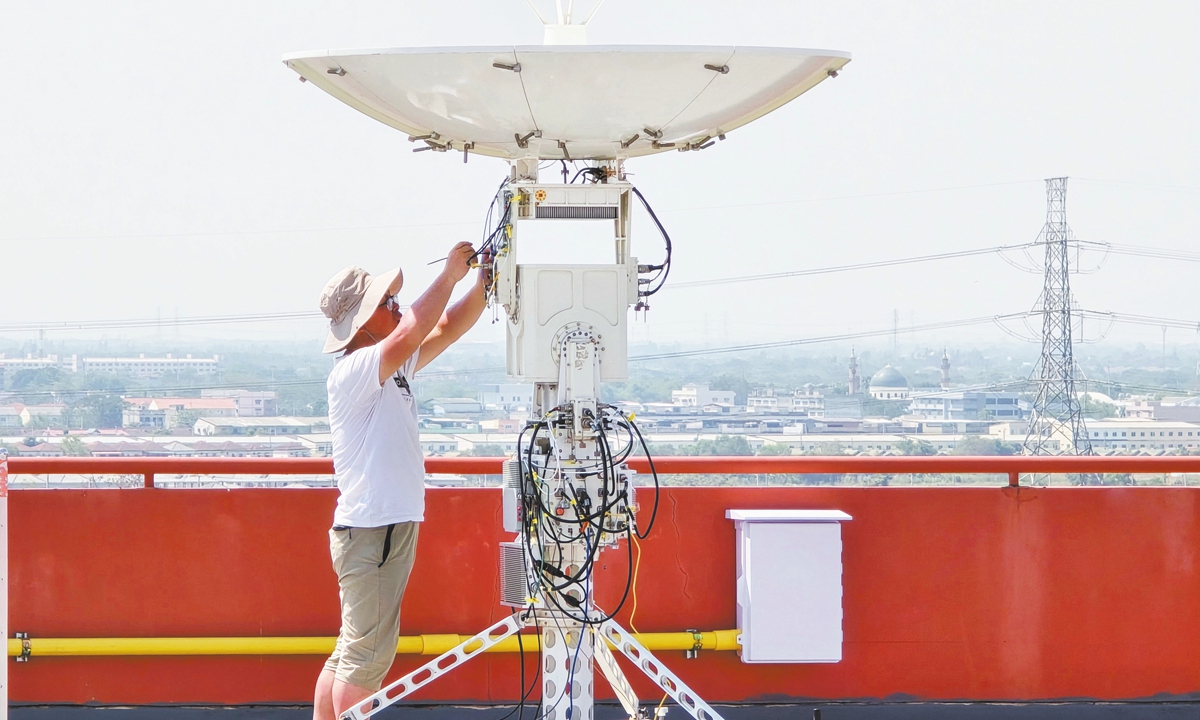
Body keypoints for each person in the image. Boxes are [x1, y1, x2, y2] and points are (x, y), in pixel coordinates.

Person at [312, 241, 485, 720]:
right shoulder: (355, 370)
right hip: (377, 533)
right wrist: (449, 275)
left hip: (374, 530)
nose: (396, 307)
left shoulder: (387, 369)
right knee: (366, 662)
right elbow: (413, 330)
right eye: (386, 303)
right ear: (363, 324)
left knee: (351, 652)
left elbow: (444, 328)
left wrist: (482, 283)